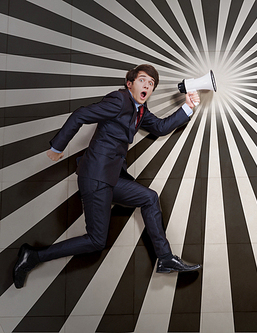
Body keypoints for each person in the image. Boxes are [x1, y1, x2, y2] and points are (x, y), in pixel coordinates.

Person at [13, 64, 201, 289]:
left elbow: (160, 127)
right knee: (95, 241)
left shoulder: (139, 111)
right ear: (129, 84)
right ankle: (33, 256)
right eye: (143, 80)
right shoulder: (119, 100)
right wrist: (58, 146)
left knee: (149, 198)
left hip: (111, 178)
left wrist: (188, 107)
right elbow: (81, 114)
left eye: (151, 84)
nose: (147, 86)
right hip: (95, 177)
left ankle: (165, 258)